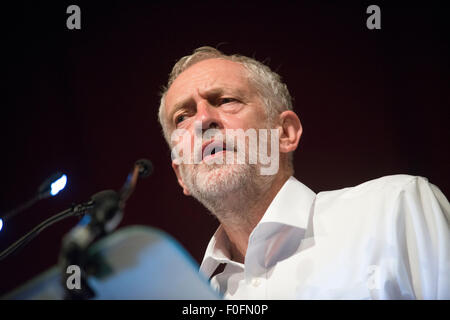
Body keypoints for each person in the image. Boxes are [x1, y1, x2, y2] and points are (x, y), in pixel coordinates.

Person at [157, 46, 450, 299]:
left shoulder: (394, 208)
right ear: (181, 173)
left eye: (226, 100)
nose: (203, 120)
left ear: (284, 133)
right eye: (182, 117)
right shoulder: (197, 295)